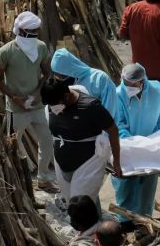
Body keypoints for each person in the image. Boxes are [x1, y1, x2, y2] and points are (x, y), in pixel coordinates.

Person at [0, 11, 57, 192]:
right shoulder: (5, 52)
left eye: (37, 31)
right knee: (12, 145)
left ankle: (43, 178)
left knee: (47, 141)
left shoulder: (41, 47)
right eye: (31, 32)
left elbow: (46, 73)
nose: (34, 35)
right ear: (20, 31)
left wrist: (37, 93)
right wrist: (14, 97)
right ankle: (15, 183)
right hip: (16, 109)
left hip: (37, 105)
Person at [41, 79, 123, 207]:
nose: (53, 109)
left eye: (55, 105)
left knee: (81, 202)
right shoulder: (52, 103)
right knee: (72, 202)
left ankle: (93, 225)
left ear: (66, 96)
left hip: (88, 161)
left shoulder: (90, 106)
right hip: (63, 161)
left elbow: (113, 130)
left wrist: (116, 162)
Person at [112, 63, 160, 228]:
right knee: (125, 184)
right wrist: (134, 145)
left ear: (142, 81)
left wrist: (158, 138)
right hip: (126, 146)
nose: (128, 87)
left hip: (150, 144)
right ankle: (125, 221)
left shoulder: (157, 91)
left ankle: (145, 218)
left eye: (132, 84)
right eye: (125, 83)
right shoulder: (117, 95)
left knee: (148, 183)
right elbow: (119, 124)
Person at [51, 48, 119, 119]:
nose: (59, 78)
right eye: (57, 76)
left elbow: (110, 108)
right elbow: (58, 110)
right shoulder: (65, 86)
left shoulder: (99, 78)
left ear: (69, 69)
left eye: (62, 75)